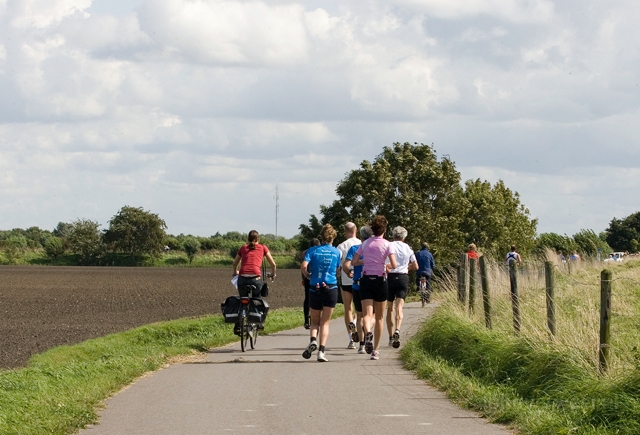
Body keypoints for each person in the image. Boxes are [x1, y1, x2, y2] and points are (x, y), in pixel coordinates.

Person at [351, 215, 397, 360]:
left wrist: (366, 262)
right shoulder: (387, 244)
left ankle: (368, 332)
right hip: (380, 280)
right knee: (379, 317)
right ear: (384, 229)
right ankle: (375, 351)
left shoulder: (364, 244)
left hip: (366, 279)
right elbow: (394, 265)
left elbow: (354, 261)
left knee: (366, 314)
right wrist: (386, 265)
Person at [300, 224, 342, 362]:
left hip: (314, 287)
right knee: (326, 322)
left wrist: (307, 274)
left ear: (321, 236)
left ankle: (313, 340)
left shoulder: (312, 250)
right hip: (330, 287)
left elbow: (304, 266)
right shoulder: (336, 252)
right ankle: (322, 352)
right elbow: (337, 270)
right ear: (333, 237)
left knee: (315, 321)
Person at [342, 225, 373, 354]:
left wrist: (349, 271)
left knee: (359, 315)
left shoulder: (354, 249)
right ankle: (368, 337)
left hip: (356, 284)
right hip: (371, 283)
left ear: (361, 237)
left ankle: (361, 345)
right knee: (371, 315)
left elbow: (346, 264)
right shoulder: (373, 249)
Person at [385, 226, 417, 349]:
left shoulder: (389, 245)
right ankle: (397, 330)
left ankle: (390, 337)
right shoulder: (408, 248)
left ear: (393, 235)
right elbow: (416, 266)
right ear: (404, 237)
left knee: (390, 308)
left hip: (390, 278)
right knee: (399, 307)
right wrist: (407, 267)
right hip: (403, 277)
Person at [232, 230, 277, 298]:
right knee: (257, 299)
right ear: (258, 239)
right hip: (256, 279)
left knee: (242, 299)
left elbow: (234, 264)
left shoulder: (243, 248)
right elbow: (273, 264)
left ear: (248, 239)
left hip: (242, 279)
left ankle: (242, 307)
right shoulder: (263, 247)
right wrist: (273, 274)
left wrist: (235, 272)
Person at [336, 222, 360, 349]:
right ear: (356, 230)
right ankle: (355, 322)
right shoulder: (361, 244)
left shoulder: (341, 246)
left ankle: (351, 339)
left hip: (346, 281)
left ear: (345, 232)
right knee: (359, 309)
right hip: (359, 280)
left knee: (348, 309)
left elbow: (338, 263)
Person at [301, 238, 321, 329]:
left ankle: (306, 320)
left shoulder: (306, 252)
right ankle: (316, 319)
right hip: (318, 277)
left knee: (307, 298)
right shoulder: (320, 251)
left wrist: (304, 277)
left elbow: (303, 267)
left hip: (307, 277)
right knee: (319, 297)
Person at [415, 242, 435, 306]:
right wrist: (433, 267)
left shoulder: (418, 254)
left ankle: (418, 288)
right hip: (427, 272)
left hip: (419, 271)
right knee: (428, 284)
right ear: (427, 247)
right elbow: (432, 264)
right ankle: (427, 298)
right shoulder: (429, 254)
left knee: (417, 280)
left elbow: (414, 261)